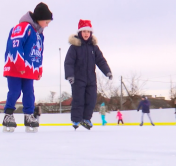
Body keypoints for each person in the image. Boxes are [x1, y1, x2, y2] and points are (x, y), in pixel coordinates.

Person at [2, 2, 53, 133]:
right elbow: (15, 45)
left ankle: (29, 115)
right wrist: (19, 64)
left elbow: (38, 53)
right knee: (15, 91)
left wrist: (39, 70)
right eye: (46, 22)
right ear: (40, 18)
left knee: (29, 93)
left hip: (29, 70)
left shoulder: (39, 34)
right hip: (15, 67)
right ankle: (8, 114)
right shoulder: (23, 27)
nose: (47, 25)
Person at [64, 19, 112, 130]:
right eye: (84, 31)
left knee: (91, 99)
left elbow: (101, 60)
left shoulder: (94, 47)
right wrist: (70, 75)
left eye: (88, 31)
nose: (86, 34)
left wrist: (107, 71)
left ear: (91, 33)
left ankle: (86, 118)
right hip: (77, 79)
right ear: (80, 32)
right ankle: (76, 119)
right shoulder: (74, 47)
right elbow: (69, 62)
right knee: (79, 99)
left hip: (91, 79)